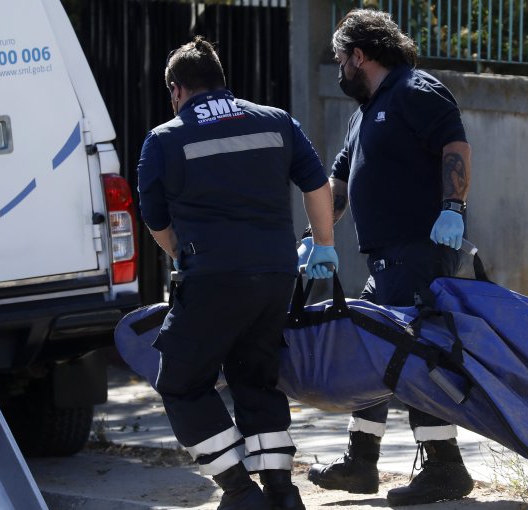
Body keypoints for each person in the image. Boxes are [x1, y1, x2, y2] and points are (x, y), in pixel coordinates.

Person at [137, 36, 339, 510]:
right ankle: (283, 493)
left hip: (210, 276)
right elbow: (316, 184)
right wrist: (324, 245)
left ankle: (240, 492)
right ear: (222, 80)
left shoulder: (164, 139)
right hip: (275, 274)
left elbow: (156, 219)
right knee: (256, 380)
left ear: (176, 89)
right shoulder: (275, 122)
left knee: (181, 384)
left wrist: (180, 257)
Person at [305, 9, 475, 507]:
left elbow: (455, 146)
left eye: (341, 60)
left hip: (419, 251)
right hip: (385, 258)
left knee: (412, 355)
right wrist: (315, 237)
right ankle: (361, 462)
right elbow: (338, 184)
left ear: (360, 55)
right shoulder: (365, 112)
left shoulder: (415, 90)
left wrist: (452, 208)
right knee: (367, 350)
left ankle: (445, 467)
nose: (339, 72)